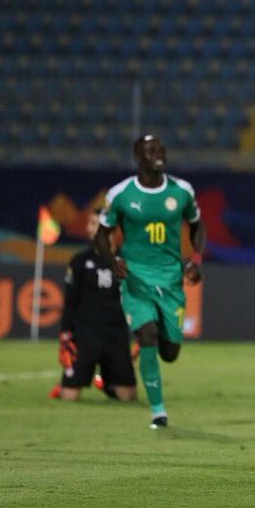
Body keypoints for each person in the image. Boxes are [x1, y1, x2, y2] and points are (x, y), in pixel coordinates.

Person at [95, 135, 205, 429]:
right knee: (147, 335)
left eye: (161, 149)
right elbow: (101, 235)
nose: (159, 154)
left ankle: (150, 354)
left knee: (170, 353)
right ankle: (158, 411)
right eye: (151, 150)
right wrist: (112, 260)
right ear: (138, 157)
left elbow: (197, 226)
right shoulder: (121, 194)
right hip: (136, 279)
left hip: (170, 281)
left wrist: (195, 259)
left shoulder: (181, 191)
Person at [52, 207, 137, 402]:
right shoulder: (80, 261)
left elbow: (138, 298)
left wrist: (141, 333)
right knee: (69, 397)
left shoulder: (128, 260)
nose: (89, 229)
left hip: (116, 334)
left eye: (95, 224)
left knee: (128, 397)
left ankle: (107, 385)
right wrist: (66, 335)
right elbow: (70, 301)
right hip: (86, 334)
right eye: (90, 223)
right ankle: (69, 383)